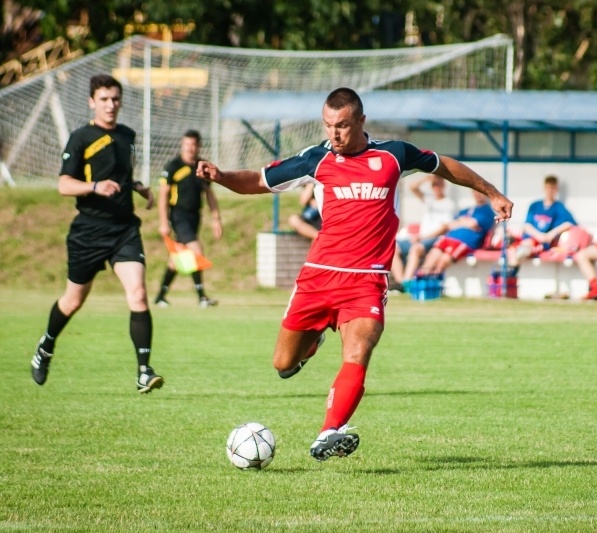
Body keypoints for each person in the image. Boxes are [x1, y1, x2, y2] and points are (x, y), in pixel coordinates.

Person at [196, 87, 513, 461]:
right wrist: (220, 175)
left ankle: (329, 431)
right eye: (329, 125)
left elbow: (443, 164)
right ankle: (311, 344)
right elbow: (259, 181)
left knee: (359, 349)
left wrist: (490, 192)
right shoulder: (316, 160)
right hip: (318, 277)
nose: (334, 134)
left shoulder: (394, 155)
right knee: (282, 363)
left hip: (367, 279)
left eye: (343, 126)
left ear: (361, 121)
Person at [29, 74, 163, 394]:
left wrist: (139, 188)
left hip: (124, 229)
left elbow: (121, 174)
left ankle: (144, 371)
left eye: (115, 99)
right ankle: (46, 347)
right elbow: (64, 185)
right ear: (92, 101)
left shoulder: (127, 136)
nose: (110, 105)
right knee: (74, 300)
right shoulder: (80, 138)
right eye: (104, 99)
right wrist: (94, 187)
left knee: (139, 293)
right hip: (88, 230)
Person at [154, 130, 223, 308]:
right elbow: (163, 196)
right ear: (182, 144)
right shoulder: (173, 166)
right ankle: (201, 297)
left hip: (194, 217)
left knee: (177, 259)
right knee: (196, 250)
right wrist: (163, 222)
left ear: (198, 146)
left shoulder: (202, 167)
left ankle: (161, 296)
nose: (190, 148)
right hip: (178, 215)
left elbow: (209, 194)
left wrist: (216, 218)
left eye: (193, 145)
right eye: (187, 144)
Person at [390, 174, 456, 290]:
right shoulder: (429, 199)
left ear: (443, 186)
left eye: (439, 184)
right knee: (393, 247)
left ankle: (407, 282)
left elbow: (444, 228)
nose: (437, 187)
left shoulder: (449, 203)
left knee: (415, 249)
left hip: (435, 239)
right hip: (420, 238)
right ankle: (400, 283)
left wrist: (421, 237)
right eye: (434, 185)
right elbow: (412, 187)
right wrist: (426, 179)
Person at [506, 175, 576, 277]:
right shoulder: (535, 205)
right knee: (511, 246)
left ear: (556, 189)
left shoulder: (558, 207)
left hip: (543, 243)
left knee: (523, 248)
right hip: (531, 238)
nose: (550, 191)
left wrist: (552, 233)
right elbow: (527, 225)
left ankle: (511, 275)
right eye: (548, 188)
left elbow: (570, 223)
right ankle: (510, 276)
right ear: (544, 188)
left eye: (552, 188)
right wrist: (537, 235)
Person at [415, 189, 497, 277]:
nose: (478, 194)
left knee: (443, 262)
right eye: (475, 191)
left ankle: (434, 284)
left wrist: (460, 221)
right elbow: (449, 225)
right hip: (449, 237)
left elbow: (473, 223)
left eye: (480, 192)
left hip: (464, 242)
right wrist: (464, 222)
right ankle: (420, 282)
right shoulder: (466, 210)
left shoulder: (487, 212)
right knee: (432, 256)